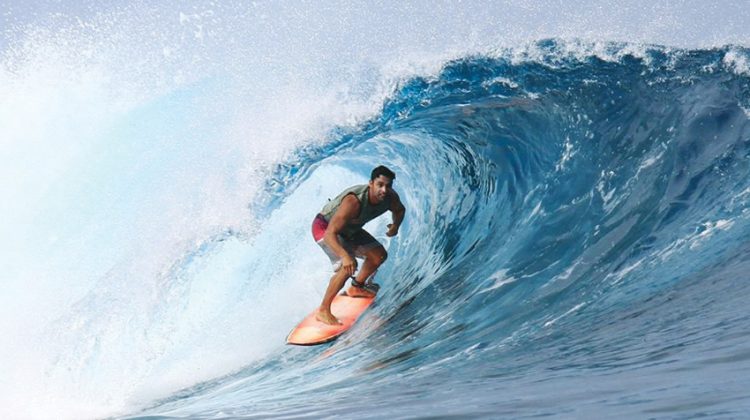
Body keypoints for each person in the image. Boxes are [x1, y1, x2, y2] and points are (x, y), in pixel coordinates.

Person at [311, 165, 406, 325]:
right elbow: (330, 235)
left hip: (350, 229)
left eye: (388, 186)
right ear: (371, 183)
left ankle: (357, 286)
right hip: (325, 228)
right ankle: (323, 310)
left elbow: (400, 210)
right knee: (348, 265)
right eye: (380, 185)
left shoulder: (390, 197)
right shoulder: (353, 201)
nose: (384, 190)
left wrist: (395, 226)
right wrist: (344, 256)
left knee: (378, 255)